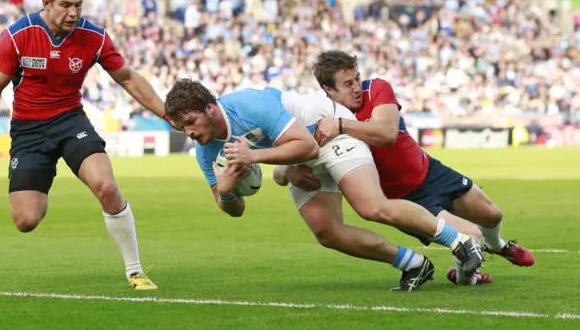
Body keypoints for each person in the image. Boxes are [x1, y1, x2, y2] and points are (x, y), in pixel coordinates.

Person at [164, 79, 484, 291]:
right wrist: (228, 189)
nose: (189, 133)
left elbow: (308, 146)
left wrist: (254, 157)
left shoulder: (248, 105)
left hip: (327, 131)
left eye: (191, 122)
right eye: (182, 127)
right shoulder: (206, 152)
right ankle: (413, 264)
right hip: (295, 153)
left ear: (210, 107)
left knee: (370, 206)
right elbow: (233, 210)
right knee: (326, 232)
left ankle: (458, 241)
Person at [0, 0, 167, 290]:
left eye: (78, 5)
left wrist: (166, 113)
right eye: (65, 5)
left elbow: (127, 78)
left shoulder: (95, 37)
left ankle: (135, 270)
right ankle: (38, 175)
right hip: (29, 130)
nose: (73, 13)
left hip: (70, 121)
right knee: (26, 220)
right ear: (46, 3)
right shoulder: (18, 36)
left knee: (106, 186)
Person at [289, 50, 535, 285]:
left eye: (357, 78)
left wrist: (341, 126)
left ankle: (499, 245)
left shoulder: (375, 89)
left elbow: (387, 133)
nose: (356, 88)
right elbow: (293, 159)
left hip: (430, 171)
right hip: (406, 200)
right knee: (473, 239)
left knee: (493, 215)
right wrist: (290, 171)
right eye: (347, 84)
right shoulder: (319, 116)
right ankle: (464, 278)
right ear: (328, 89)